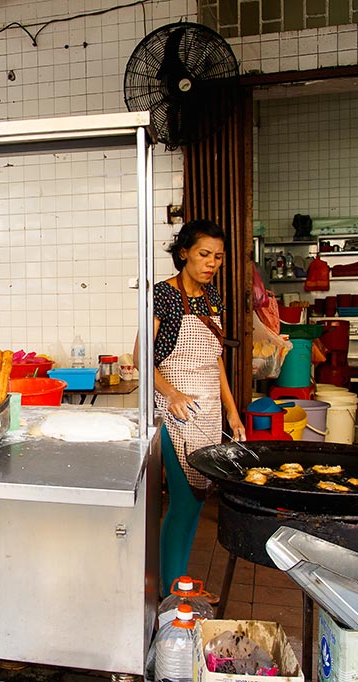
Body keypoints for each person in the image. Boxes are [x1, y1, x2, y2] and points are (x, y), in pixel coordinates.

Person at [137, 219, 244, 598]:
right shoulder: (162, 296)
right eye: (203, 254)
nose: (211, 262)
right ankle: (170, 592)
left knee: (197, 501)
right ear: (183, 253)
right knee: (182, 501)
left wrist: (232, 411)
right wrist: (172, 393)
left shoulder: (213, 296)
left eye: (217, 256)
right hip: (174, 409)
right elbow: (140, 357)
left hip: (209, 409)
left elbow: (215, 360)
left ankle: (177, 583)